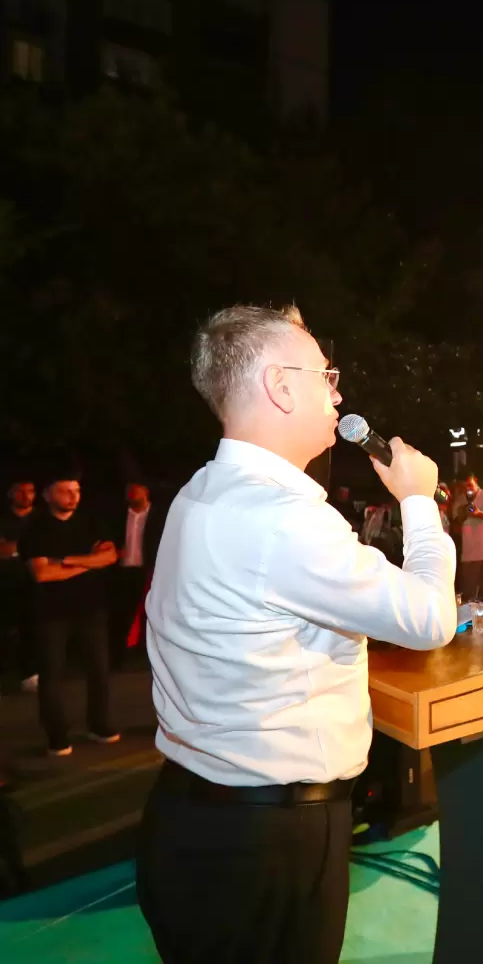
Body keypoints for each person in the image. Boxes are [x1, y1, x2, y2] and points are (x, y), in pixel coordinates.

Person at [135, 304, 458, 964]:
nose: (338, 395)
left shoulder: (201, 491)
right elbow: (430, 618)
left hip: (189, 817)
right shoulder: (283, 519)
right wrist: (420, 501)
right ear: (280, 385)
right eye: (326, 375)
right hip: (268, 843)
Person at [18, 475, 119, 755]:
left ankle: (99, 724)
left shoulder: (91, 522)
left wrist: (64, 560)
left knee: (99, 670)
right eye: (65, 491)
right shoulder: (36, 529)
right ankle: (57, 735)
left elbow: (110, 557)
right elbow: (42, 573)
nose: (73, 497)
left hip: (91, 609)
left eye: (76, 491)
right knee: (51, 675)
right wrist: (90, 562)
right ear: (48, 495)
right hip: (49, 613)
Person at [111, 481, 162, 666]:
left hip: (149, 571)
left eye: (136, 488)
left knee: (150, 613)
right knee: (121, 613)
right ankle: (121, 656)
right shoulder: (118, 516)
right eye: (129, 489)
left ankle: (147, 655)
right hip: (123, 571)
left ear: (146, 490)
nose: (132, 492)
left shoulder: (159, 515)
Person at [1, 479, 38, 691]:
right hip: (7, 583)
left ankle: (30, 673)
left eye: (30, 491)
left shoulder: (42, 519)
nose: (26, 496)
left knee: (34, 629)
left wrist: (15, 547)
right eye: (20, 491)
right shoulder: (4, 520)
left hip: (36, 583)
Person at [453, 473, 483, 602]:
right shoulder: (459, 501)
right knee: (469, 597)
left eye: (470, 485)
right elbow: (455, 524)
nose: (467, 489)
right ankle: (470, 617)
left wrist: (479, 513)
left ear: (476, 481)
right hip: (470, 554)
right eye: (464, 487)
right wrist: (463, 513)